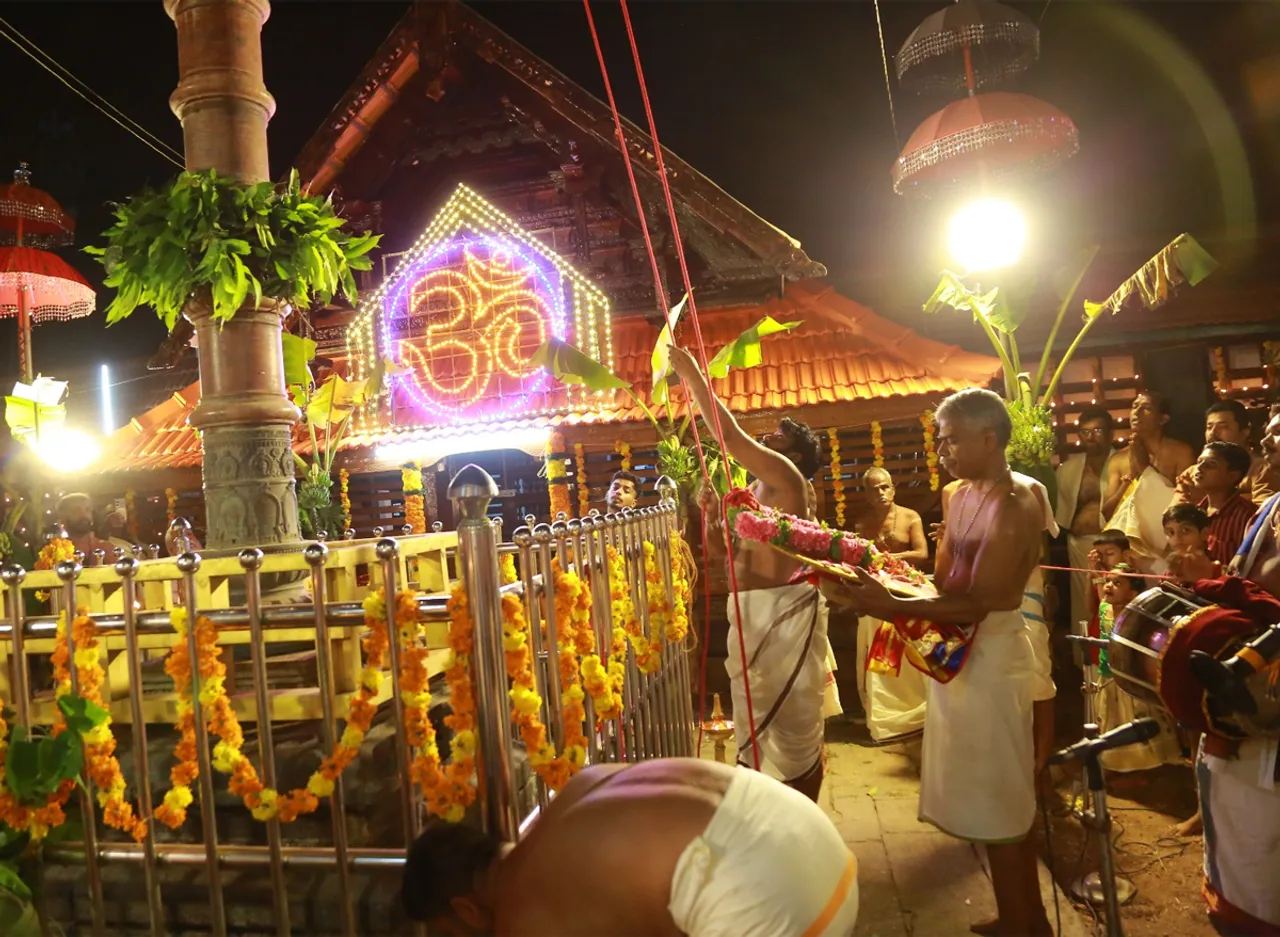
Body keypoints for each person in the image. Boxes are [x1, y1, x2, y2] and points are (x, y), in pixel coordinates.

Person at [825, 388, 1048, 937]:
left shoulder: (1017, 501)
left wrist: (890, 605)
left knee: (1003, 792)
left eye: (950, 440)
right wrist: (879, 585)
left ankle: (1030, 922)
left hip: (993, 656)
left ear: (988, 438)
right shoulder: (956, 494)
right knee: (980, 790)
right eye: (940, 440)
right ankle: (1017, 914)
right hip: (956, 656)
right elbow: (945, 582)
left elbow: (984, 599)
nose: (942, 450)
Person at [401, 758, 860, 936]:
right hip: (827, 852)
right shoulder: (579, 790)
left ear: (465, 910)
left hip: (795, 914)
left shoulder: (523, 913)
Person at [670, 347, 828, 800]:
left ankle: (807, 819)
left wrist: (693, 377)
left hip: (782, 614)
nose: (769, 437)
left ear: (794, 454)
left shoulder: (786, 477)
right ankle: (767, 813)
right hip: (748, 614)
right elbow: (724, 555)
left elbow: (730, 437)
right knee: (753, 730)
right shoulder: (759, 491)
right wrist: (710, 519)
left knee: (795, 731)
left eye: (778, 436)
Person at [1168, 405, 1280, 933]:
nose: (1269, 450)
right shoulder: (1270, 508)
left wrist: (1218, 580)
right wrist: (1215, 578)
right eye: (1271, 438)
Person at [853, 467, 929, 742]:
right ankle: (886, 715)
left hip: (908, 590)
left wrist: (891, 560)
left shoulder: (910, 517)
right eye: (874, 489)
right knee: (874, 632)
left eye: (884, 487)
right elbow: (859, 559)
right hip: (877, 594)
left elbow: (922, 552)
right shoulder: (862, 524)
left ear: (893, 488)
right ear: (866, 494)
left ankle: (917, 708)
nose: (881, 493)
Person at [1093, 565, 1184, 775]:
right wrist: (1095, 575)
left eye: (1118, 583)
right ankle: (1117, 766)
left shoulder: (1133, 618)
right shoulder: (1104, 608)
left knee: (1136, 722)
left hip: (1129, 679)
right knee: (1111, 721)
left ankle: (1142, 769)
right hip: (1107, 674)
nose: (1109, 586)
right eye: (1108, 580)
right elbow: (1100, 593)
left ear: (1133, 594)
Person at [1102, 392, 1196, 561]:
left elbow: (1186, 506)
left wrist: (1146, 470)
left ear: (1163, 419)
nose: (1136, 413)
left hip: (1167, 547)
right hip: (1127, 550)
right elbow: (1107, 512)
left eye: (1146, 408)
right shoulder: (1118, 459)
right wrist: (1131, 476)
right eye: (1134, 407)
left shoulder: (1180, 453)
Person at [1055, 407, 1115, 639]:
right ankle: (1084, 658)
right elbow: (1062, 511)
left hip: (1114, 544)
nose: (1090, 437)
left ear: (1110, 434)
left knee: (1112, 599)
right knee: (1083, 601)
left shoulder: (1123, 463)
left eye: (1097, 430)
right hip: (1079, 544)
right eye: (1084, 432)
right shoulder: (1069, 469)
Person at [1175, 399, 1278, 506]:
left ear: (1244, 432)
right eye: (1209, 427)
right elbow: (1174, 514)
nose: (1213, 433)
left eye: (1223, 427)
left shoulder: (1261, 468)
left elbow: (1262, 512)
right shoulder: (1193, 472)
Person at [1187, 440, 1256, 567]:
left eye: (1211, 464)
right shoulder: (1195, 513)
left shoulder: (1247, 517)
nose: (1200, 468)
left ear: (1232, 476)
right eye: (1199, 461)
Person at [55, 493, 117, 558]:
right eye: (76, 511)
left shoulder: (107, 549)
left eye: (88, 510)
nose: (84, 515)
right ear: (62, 519)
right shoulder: (53, 553)